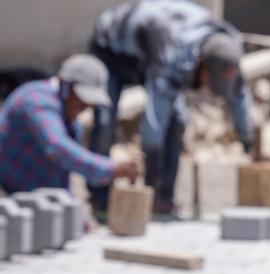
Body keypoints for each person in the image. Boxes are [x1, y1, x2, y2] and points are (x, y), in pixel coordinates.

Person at [86, 0, 254, 214]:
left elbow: (238, 94)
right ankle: (99, 199)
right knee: (105, 121)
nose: (208, 88)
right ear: (201, 64)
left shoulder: (230, 48)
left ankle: (165, 198)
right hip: (113, 43)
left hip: (151, 45)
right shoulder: (171, 54)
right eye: (209, 81)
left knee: (178, 122)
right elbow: (153, 125)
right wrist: (150, 176)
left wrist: (248, 140)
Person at [0, 54, 141, 194]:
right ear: (65, 85)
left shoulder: (69, 118)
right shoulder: (37, 101)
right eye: (82, 98)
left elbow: (62, 172)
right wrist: (110, 168)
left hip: (36, 197)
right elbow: (58, 148)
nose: (86, 105)